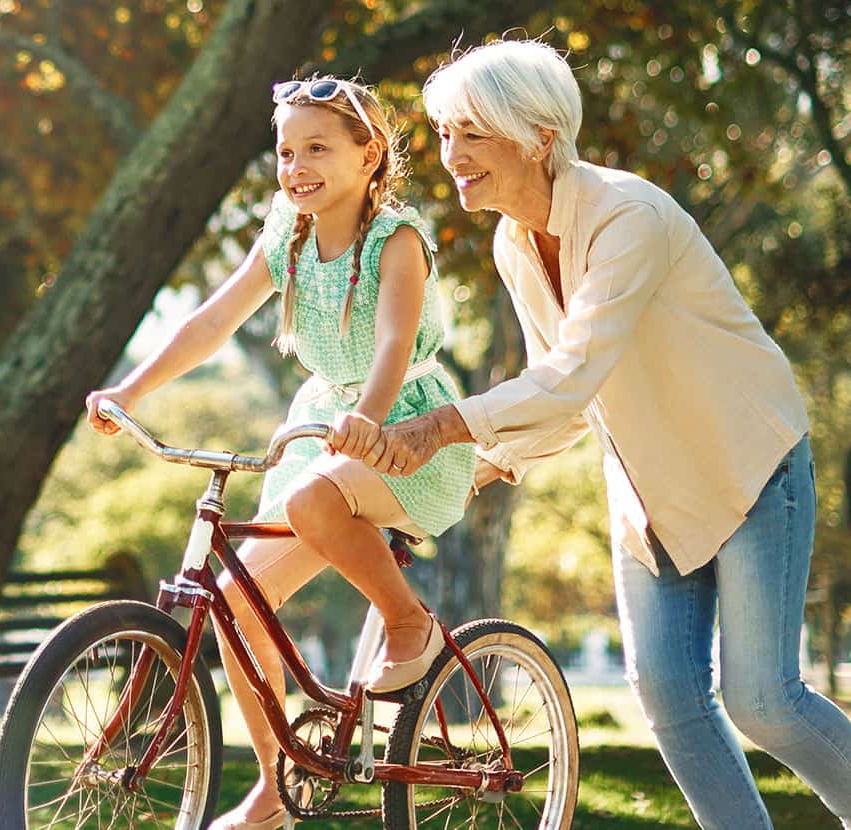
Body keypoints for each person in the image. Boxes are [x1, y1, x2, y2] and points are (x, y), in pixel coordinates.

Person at [338, 39, 851, 830]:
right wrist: (484, 466)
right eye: (445, 134)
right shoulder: (515, 241)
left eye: (473, 132)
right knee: (672, 702)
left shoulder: (627, 215)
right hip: (649, 495)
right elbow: (568, 396)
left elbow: (572, 372)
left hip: (748, 467)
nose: (453, 154)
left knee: (764, 703)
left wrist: (443, 427)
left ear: (540, 136)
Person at [85, 76, 474, 830]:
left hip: (406, 426)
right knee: (236, 604)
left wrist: (368, 418)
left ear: (370, 155)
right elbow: (210, 322)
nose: (296, 167)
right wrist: (129, 391)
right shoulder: (287, 235)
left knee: (311, 498)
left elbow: (395, 342)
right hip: (326, 423)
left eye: (318, 149)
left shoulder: (397, 240)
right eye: (285, 151)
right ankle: (277, 786)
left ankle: (409, 623)